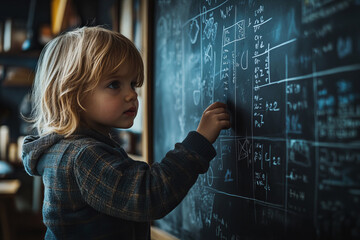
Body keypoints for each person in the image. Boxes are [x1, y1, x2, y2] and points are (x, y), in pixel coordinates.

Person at [22, 26, 230, 239]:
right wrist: (199, 141)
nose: (131, 94)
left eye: (132, 84)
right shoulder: (84, 155)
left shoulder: (67, 149)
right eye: (114, 84)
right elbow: (150, 196)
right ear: (73, 93)